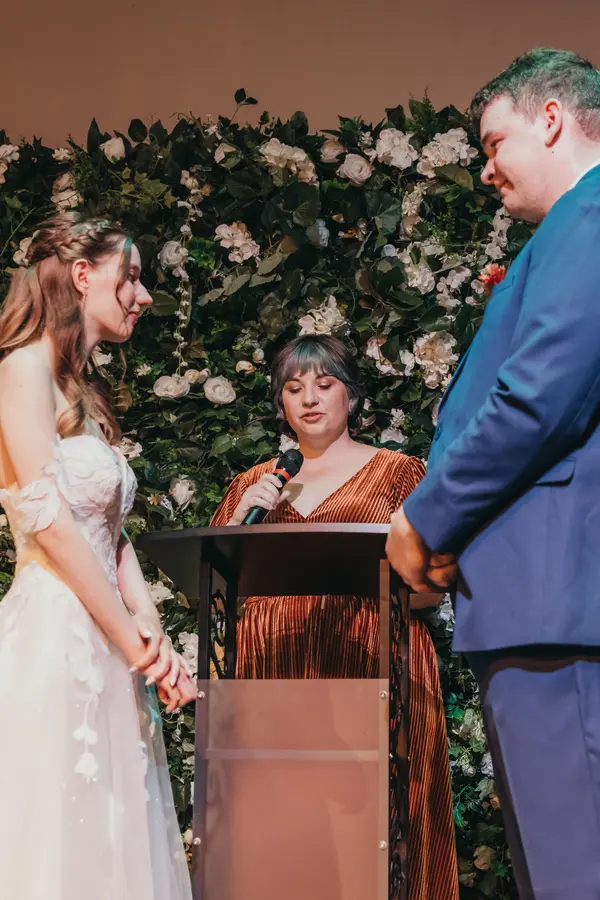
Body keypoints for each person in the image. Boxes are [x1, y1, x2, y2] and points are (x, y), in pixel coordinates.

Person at [386, 48, 600, 899]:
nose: (485, 168)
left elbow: (538, 398)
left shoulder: (589, 216)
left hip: (555, 605)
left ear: (551, 119)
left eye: (493, 142)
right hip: (544, 602)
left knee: (574, 869)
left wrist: (424, 518)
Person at [211, 334, 458, 900]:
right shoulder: (253, 484)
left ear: (352, 395)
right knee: (283, 838)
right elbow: (218, 586)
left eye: (324, 385)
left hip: (373, 672)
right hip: (271, 682)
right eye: (293, 388)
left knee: (375, 836)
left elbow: (433, 583)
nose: (309, 399)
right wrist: (247, 514)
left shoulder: (400, 473)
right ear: (280, 403)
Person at [0, 213, 195, 900]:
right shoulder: (20, 368)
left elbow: (110, 532)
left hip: (107, 638)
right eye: (130, 277)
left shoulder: (82, 394)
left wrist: (151, 630)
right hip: (57, 633)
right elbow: (52, 524)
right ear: (83, 276)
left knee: (115, 835)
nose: (143, 296)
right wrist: (133, 641)